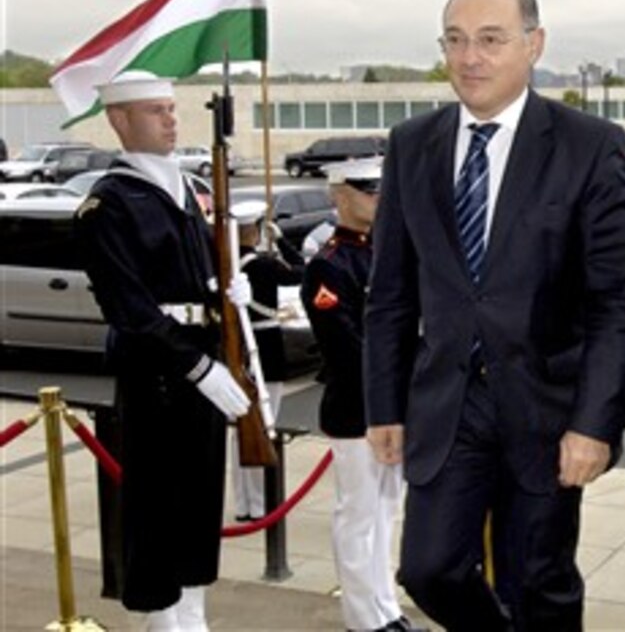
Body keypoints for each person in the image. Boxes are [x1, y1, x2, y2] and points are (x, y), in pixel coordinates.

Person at [365, 0, 625, 631]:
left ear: (534, 44)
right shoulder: (413, 146)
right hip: (447, 406)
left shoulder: (588, 146)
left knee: (540, 582)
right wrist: (384, 403)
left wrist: (596, 423)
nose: (471, 58)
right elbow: (391, 292)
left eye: (491, 39)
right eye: (456, 40)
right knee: (428, 569)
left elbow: (619, 301)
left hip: (546, 410)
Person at [74, 70, 251, 631]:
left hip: (202, 361)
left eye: (172, 108)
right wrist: (199, 368)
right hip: (159, 375)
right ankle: (162, 622)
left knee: (198, 506)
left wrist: (231, 290)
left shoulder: (189, 188)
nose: (172, 120)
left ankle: (192, 617)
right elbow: (131, 309)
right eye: (155, 111)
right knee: (157, 506)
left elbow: (199, 275)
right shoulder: (109, 204)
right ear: (119, 120)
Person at [301, 160, 422, 632]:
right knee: (357, 516)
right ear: (339, 195)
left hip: (395, 406)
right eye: (367, 190)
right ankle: (361, 617)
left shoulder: (386, 254)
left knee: (384, 514)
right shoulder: (330, 266)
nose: (378, 198)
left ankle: (384, 607)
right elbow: (348, 348)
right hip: (359, 410)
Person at [228, 199, 305, 522]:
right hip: (265, 349)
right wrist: (283, 241)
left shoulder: (233, 266)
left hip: (241, 348)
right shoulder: (261, 266)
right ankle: (260, 503)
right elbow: (302, 272)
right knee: (262, 425)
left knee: (241, 428)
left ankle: (245, 502)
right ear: (256, 230)